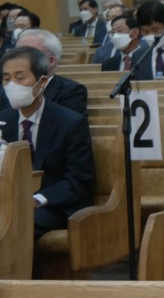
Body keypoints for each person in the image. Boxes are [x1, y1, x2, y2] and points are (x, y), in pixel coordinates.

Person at [0, 46, 94, 242]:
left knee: (20, 222)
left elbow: (79, 179)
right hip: (9, 200)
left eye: (20, 77)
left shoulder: (70, 123)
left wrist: (37, 199)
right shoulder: (3, 121)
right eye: (7, 79)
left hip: (53, 204)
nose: (12, 85)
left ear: (42, 82)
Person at [5, 29, 87, 114]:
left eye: (29, 55)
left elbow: (71, 121)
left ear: (51, 61)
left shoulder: (71, 91)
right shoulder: (5, 89)